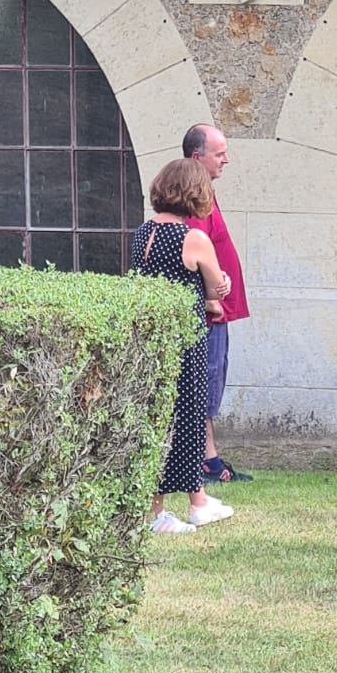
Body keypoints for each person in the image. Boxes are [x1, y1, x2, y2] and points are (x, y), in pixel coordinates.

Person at [130, 159, 234, 535]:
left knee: (159, 418)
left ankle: (198, 499)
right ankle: (158, 512)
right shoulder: (193, 237)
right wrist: (218, 289)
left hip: (152, 338)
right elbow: (213, 286)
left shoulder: (143, 232)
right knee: (186, 419)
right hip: (185, 339)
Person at [183, 124, 253, 483]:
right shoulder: (193, 203)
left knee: (212, 377)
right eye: (219, 152)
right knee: (206, 380)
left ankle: (208, 457)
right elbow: (198, 253)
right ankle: (205, 460)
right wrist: (213, 296)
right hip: (209, 312)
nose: (226, 159)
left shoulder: (204, 193)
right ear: (198, 157)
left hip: (218, 309)